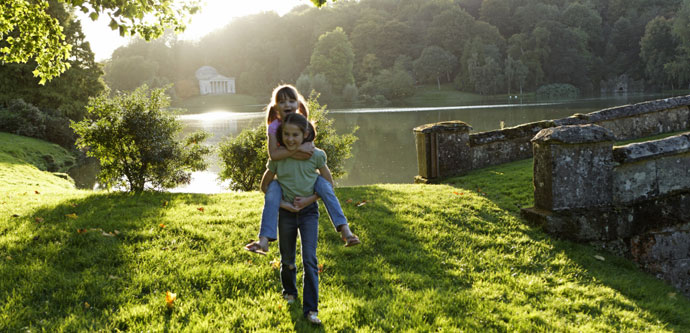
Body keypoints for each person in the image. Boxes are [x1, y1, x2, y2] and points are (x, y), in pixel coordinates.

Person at [245, 84, 359, 255]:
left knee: (325, 187)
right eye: (282, 102)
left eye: (291, 101)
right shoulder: (274, 127)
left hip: (306, 177)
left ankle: (345, 231)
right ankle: (263, 240)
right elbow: (274, 155)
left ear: (298, 104)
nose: (287, 105)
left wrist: (289, 152)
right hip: (283, 173)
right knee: (272, 191)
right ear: (276, 107)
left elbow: (309, 153)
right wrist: (295, 151)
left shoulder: (302, 123)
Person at [260, 112, 330, 324]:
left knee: (309, 259)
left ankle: (311, 310)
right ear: (282, 136)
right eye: (287, 135)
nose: (291, 139)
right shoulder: (278, 160)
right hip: (286, 214)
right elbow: (265, 185)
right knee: (288, 257)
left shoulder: (315, 156)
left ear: (305, 135)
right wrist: (284, 205)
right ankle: (289, 292)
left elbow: (328, 184)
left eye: (295, 135)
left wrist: (310, 200)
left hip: (309, 213)